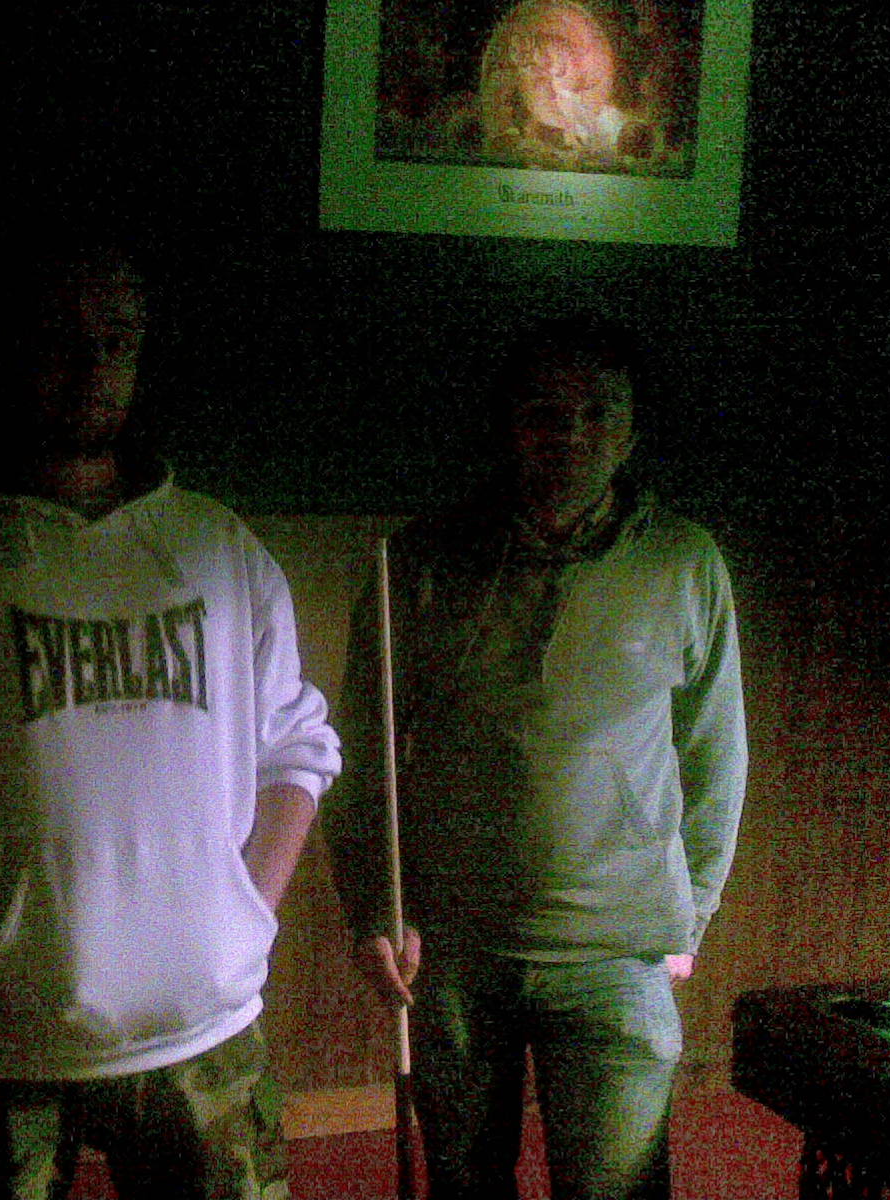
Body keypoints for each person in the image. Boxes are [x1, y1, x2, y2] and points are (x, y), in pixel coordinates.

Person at [0, 244, 340, 1199]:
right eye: (59, 340)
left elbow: (296, 748)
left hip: (206, 1026)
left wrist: (248, 914)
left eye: (116, 341)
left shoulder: (218, 548)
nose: (91, 367)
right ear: (11, 352)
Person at [324, 317, 747, 1200]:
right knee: (464, 1184)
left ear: (630, 430)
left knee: (617, 1190)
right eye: (545, 412)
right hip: (451, 947)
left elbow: (716, 752)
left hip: (620, 951)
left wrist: (693, 914)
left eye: (598, 412)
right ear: (509, 426)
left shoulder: (685, 561)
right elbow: (360, 757)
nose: (571, 433)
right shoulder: (420, 560)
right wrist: (373, 909)